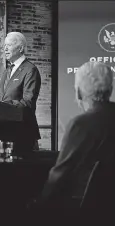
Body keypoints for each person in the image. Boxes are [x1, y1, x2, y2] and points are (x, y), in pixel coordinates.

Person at [33, 62, 115, 222]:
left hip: (85, 213)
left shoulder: (81, 125)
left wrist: (38, 205)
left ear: (78, 93)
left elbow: (60, 175)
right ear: (110, 90)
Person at [0, 32, 41, 157]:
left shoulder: (30, 69)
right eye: (4, 45)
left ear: (20, 48)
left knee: (21, 173)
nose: (5, 49)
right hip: (5, 131)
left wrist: (4, 106)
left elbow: (28, 102)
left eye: (9, 45)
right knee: (5, 170)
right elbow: (2, 98)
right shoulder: (6, 72)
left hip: (23, 132)